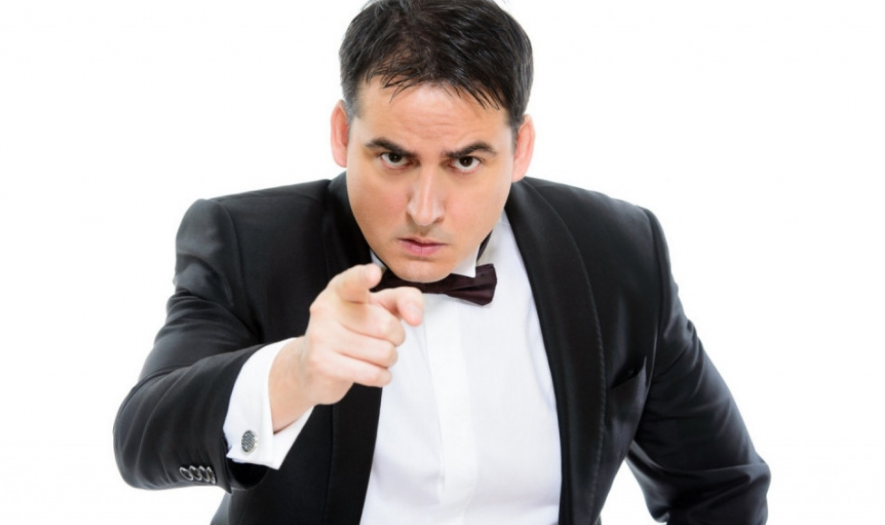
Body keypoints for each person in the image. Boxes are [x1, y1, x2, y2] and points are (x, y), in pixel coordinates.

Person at [113, 0, 770, 523]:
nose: (424, 209)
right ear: (342, 134)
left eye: (465, 161)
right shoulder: (248, 241)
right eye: (394, 157)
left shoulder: (618, 251)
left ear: (521, 149)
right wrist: (297, 371)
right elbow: (142, 443)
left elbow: (720, 487)